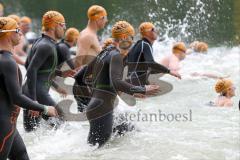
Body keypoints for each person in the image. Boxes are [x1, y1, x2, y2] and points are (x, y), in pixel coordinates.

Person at [75, 21, 160, 147]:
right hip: (103, 109)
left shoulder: (105, 52)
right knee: (94, 153)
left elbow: (79, 77)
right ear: (124, 37)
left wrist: (93, 99)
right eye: (132, 38)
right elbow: (116, 82)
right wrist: (142, 89)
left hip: (97, 107)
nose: (132, 42)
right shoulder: (116, 56)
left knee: (128, 130)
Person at [0, 17, 58, 160]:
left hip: (9, 124)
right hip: (3, 125)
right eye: (17, 30)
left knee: (22, 156)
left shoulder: (5, 59)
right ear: (7, 34)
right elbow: (16, 97)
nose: (21, 34)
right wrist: (44, 108)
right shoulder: (7, 62)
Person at [22, 11, 68, 132]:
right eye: (63, 24)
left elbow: (29, 65)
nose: (65, 28)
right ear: (54, 26)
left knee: (31, 132)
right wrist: (33, 102)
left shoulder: (38, 41)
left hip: (30, 91)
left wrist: (55, 86)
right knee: (62, 122)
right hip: (37, 94)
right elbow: (32, 69)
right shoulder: (46, 46)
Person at [73, 5, 108, 112]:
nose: (106, 21)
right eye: (105, 18)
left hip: (89, 84)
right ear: (99, 18)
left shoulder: (91, 35)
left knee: (90, 123)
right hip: (85, 85)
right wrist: (84, 88)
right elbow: (78, 60)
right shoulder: (88, 36)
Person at [127, 22, 181, 86]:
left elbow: (145, 68)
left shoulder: (138, 45)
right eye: (153, 30)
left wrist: (163, 70)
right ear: (147, 33)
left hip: (131, 83)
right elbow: (151, 63)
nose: (156, 32)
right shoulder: (145, 45)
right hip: (135, 84)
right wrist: (169, 71)